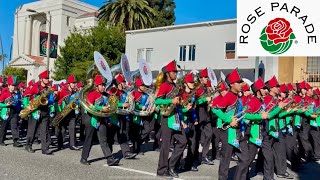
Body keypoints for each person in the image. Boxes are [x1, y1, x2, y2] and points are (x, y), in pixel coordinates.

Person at [211, 68, 251, 180]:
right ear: (232, 84)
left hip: (238, 132)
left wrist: (242, 129)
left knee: (245, 158)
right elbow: (215, 109)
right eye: (239, 82)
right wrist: (229, 120)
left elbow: (239, 116)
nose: (241, 84)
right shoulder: (228, 96)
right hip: (227, 132)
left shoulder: (239, 98)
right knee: (225, 160)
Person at [155, 60, 187, 178]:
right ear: (168, 73)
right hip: (166, 118)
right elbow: (157, 101)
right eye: (174, 72)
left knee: (183, 141)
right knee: (166, 146)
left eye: (176, 72)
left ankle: (171, 166)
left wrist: (182, 119)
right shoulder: (164, 85)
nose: (175, 74)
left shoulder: (175, 86)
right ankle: (161, 171)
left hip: (176, 118)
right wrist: (170, 100)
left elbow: (177, 103)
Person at [80, 75, 119, 166]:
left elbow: (110, 107)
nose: (104, 87)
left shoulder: (106, 95)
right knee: (89, 139)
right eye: (101, 85)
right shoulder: (92, 94)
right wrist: (101, 108)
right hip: (91, 119)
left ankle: (109, 159)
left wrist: (109, 119)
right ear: (97, 86)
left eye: (104, 85)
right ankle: (83, 158)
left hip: (101, 119)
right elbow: (89, 105)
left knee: (103, 139)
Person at [25, 70, 54, 155]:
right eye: (46, 78)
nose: (47, 80)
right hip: (35, 111)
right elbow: (27, 95)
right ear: (41, 79)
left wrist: (48, 101)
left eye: (48, 78)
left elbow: (52, 99)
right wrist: (31, 103)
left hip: (45, 111)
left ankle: (44, 149)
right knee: (32, 129)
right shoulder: (35, 87)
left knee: (44, 130)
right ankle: (28, 145)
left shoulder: (48, 89)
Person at [55, 75, 80, 150]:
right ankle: (60, 144)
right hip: (63, 112)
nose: (74, 84)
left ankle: (72, 144)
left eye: (75, 83)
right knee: (62, 129)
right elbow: (58, 101)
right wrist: (59, 111)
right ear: (69, 84)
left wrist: (77, 104)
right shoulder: (63, 91)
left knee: (73, 128)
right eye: (73, 83)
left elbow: (77, 102)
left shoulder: (76, 93)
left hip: (71, 113)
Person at [195, 68, 214, 165]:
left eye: (207, 77)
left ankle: (204, 155)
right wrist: (204, 100)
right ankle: (195, 157)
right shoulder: (197, 88)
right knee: (197, 137)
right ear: (201, 78)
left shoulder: (207, 88)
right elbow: (194, 102)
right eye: (205, 77)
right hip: (199, 114)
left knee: (209, 134)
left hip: (207, 115)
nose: (207, 79)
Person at [0, 76, 23, 147]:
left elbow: (18, 103)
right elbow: (0, 103)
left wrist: (20, 111)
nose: (13, 87)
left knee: (14, 126)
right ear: (9, 86)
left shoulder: (17, 94)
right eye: (12, 86)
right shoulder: (4, 93)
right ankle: (1, 140)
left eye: (15, 86)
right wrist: (5, 105)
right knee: (4, 127)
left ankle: (15, 141)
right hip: (6, 112)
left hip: (14, 111)